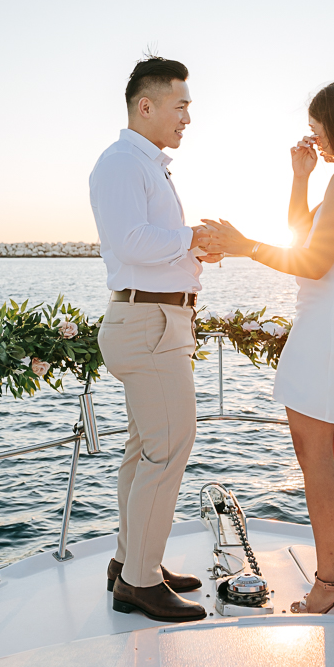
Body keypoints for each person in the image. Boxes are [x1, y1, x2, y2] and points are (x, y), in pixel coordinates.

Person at [202, 80, 334, 616]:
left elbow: (313, 263)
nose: (313, 139)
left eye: (318, 130)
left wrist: (243, 245)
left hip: (325, 333)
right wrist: (300, 179)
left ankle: (328, 582)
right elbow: (305, 234)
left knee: (315, 453)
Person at [89, 56, 222, 622]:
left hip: (155, 321)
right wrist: (193, 236)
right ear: (146, 106)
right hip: (150, 326)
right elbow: (133, 243)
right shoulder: (124, 162)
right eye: (181, 105)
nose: (188, 117)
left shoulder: (143, 163)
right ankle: (140, 584)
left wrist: (193, 247)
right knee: (168, 450)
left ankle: (131, 563)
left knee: (144, 451)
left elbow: (150, 246)